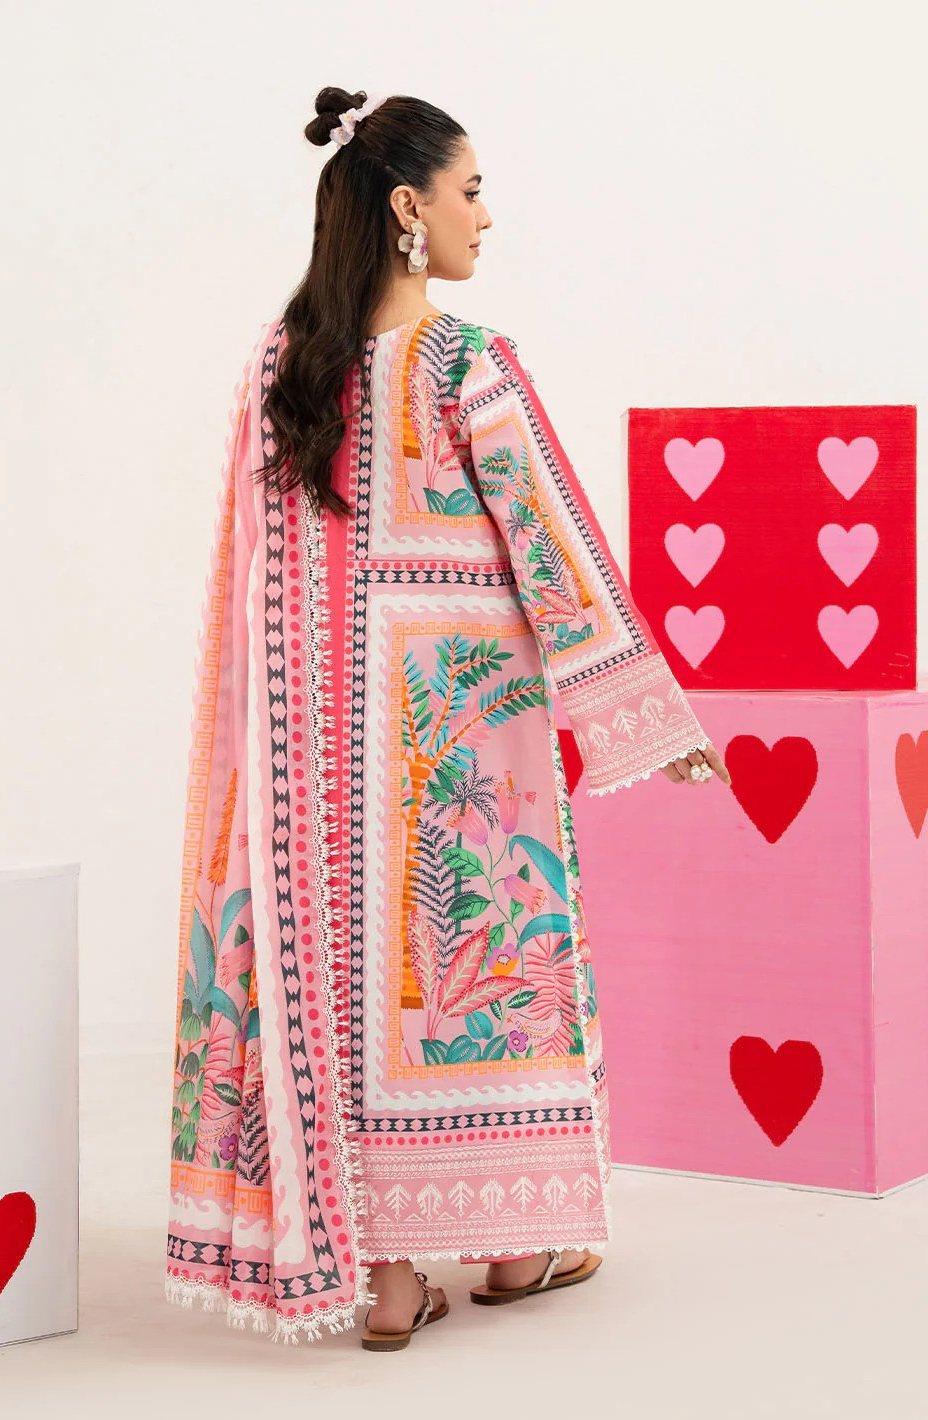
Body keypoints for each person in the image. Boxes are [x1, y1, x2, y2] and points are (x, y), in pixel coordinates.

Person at [165, 86, 732, 1350]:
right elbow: (553, 543)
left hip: (316, 756)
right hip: (465, 731)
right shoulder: (469, 363)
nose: (487, 215)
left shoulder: (281, 364)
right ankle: (521, 1243)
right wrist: (650, 712)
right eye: (471, 191)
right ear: (408, 207)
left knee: (345, 986)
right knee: (490, 966)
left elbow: (253, 567)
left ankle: (386, 1277)